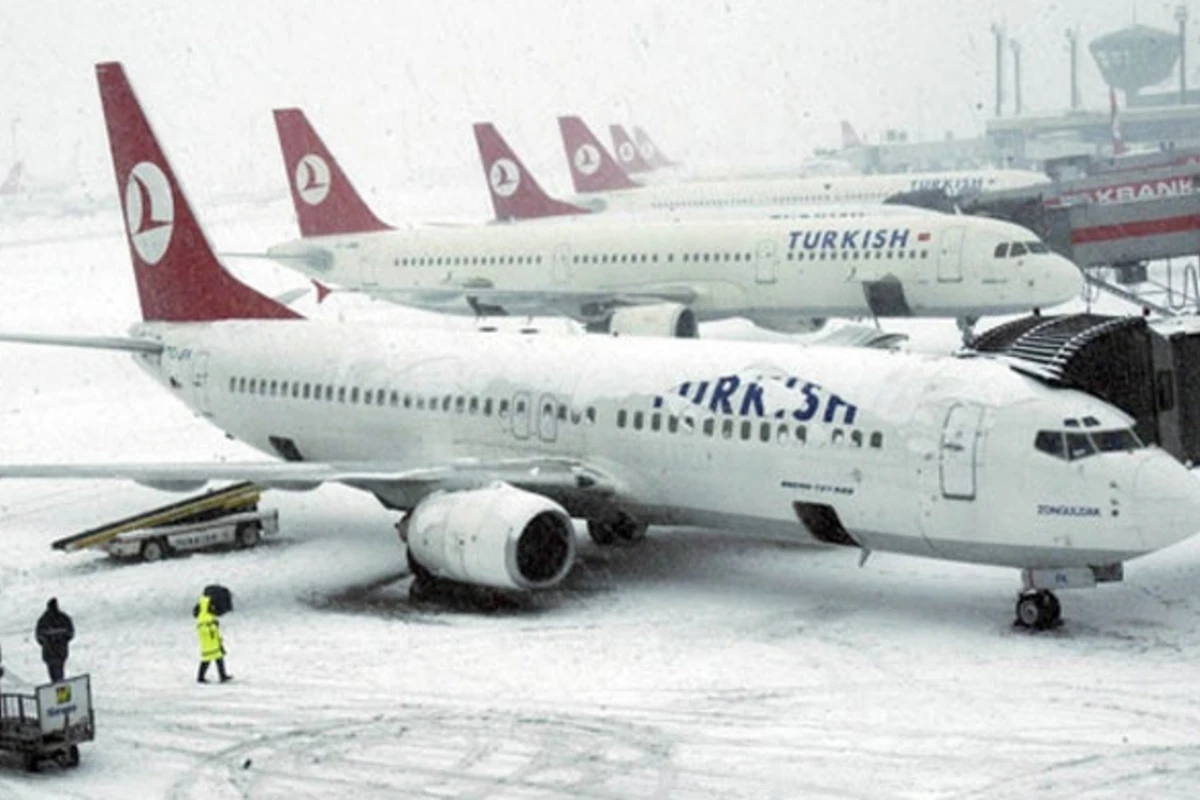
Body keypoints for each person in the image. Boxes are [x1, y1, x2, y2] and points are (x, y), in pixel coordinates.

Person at [194, 591, 232, 683]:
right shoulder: (210, 603)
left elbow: (195, 614)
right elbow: (215, 612)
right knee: (211, 654)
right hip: (209, 630)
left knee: (215, 654)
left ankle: (221, 675)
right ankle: (202, 677)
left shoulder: (201, 603)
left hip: (205, 629)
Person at [35, 597, 74, 683]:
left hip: (52, 653)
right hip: (58, 652)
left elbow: (38, 636)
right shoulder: (63, 618)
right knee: (58, 673)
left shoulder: (43, 620)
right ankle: (59, 689)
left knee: (55, 673)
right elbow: (70, 633)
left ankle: (57, 690)